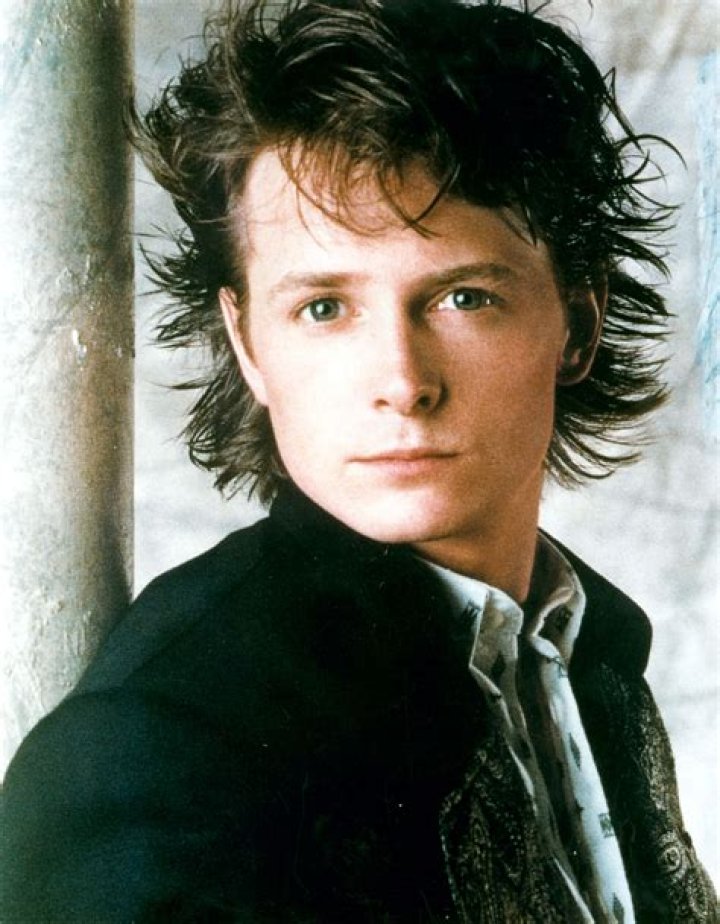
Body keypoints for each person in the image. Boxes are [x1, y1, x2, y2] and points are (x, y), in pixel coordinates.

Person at [1, 0, 716, 920]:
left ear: (577, 323)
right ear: (248, 344)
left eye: (463, 297)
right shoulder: (165, 739)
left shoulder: (595, 652)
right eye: (324, 308)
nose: (402, 382)